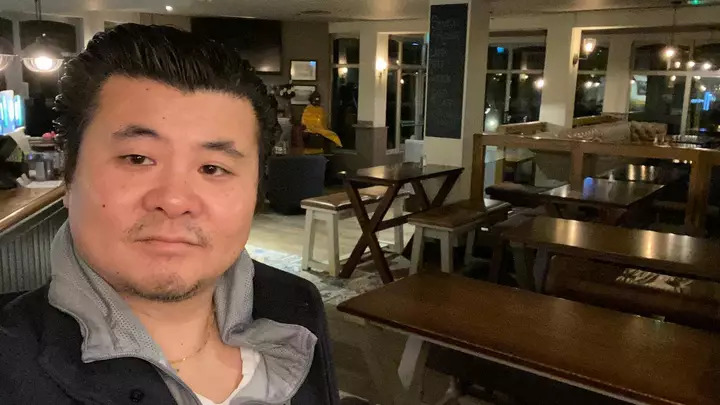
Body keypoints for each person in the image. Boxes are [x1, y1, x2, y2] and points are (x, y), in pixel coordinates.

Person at [0, 24, 338, 405]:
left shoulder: (294, 306)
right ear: (69, 176)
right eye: (137, 159)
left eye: (212, 168)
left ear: (256, 191)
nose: (175, 201)